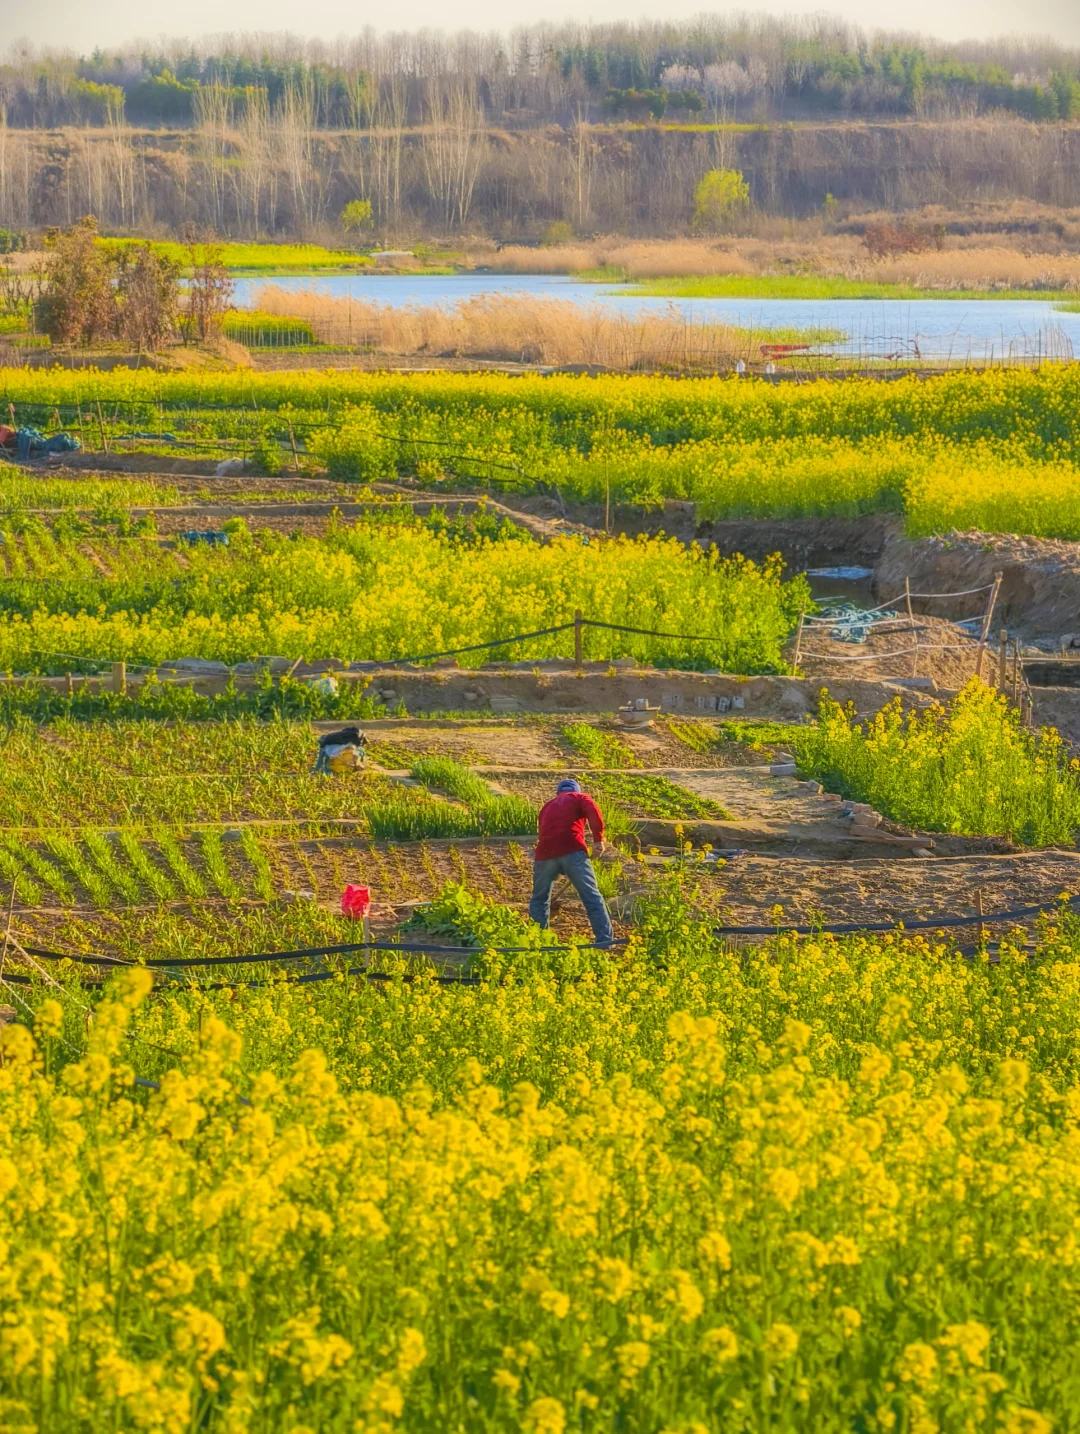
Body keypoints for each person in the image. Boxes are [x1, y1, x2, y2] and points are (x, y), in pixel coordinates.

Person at [529, 778, 614, 948]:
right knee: (591, 896)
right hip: (572, 850)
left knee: (540, 899)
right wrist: (598, 840)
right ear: (576, 790)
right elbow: (593, 810)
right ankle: (605, 942)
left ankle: (538, 943)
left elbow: (543, 831)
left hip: (545, 854)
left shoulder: (547, 806)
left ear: (558, 792)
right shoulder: (579, 797)